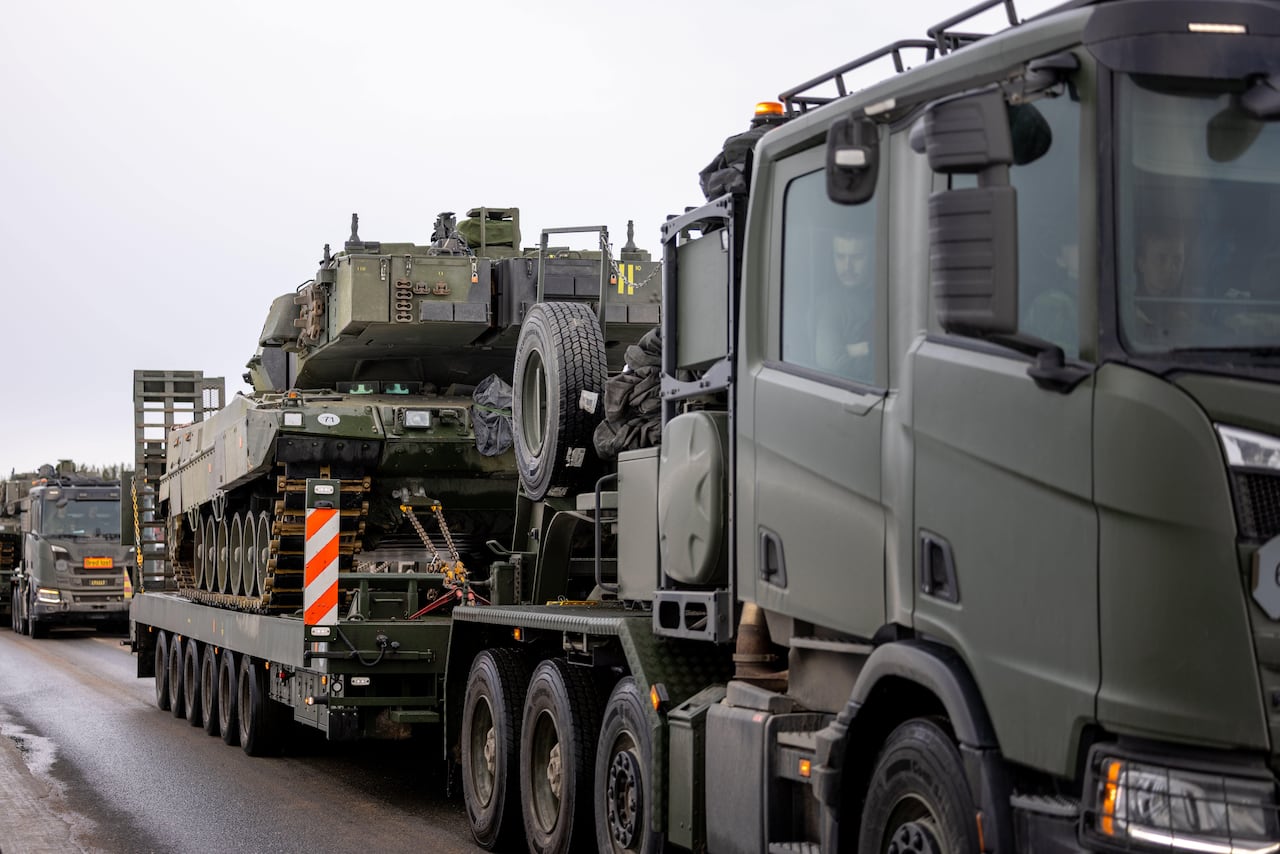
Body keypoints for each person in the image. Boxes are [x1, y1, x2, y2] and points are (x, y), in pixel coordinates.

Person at [814, 231, 875, 383]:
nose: (847, 266)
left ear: (872, 257)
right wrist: (869, 347)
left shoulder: (884, 294)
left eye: (857, 257)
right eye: (840, 257)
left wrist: (850, 349)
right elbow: (829, 359)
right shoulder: (830, 303)